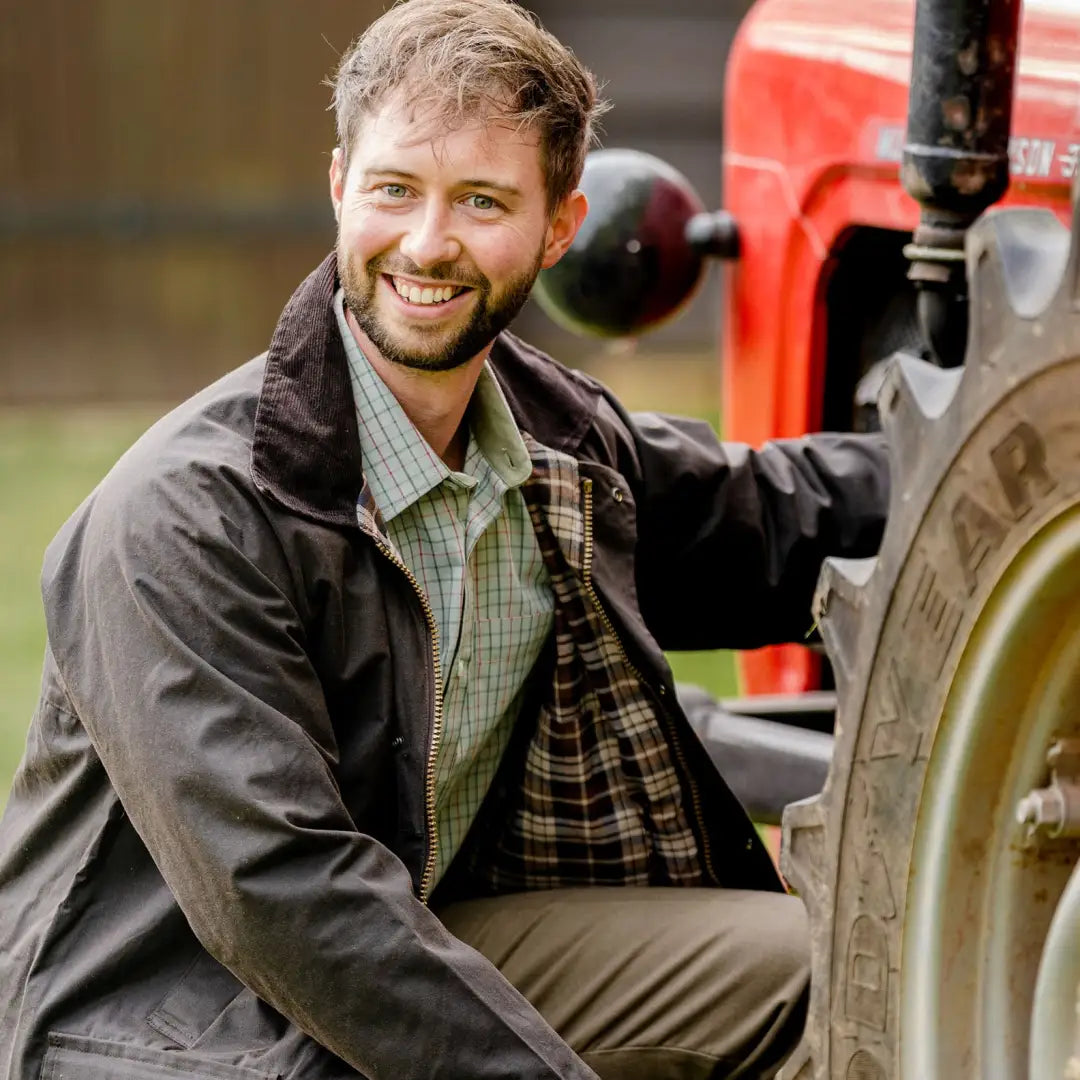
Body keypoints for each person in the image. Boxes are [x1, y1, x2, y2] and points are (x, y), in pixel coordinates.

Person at [0, 2, 890, 1078]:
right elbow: (280, 892)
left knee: (841, 969)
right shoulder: (185, 519)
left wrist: (1020, 446)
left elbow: (772, 521)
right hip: (180, 1022)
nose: (427, 244)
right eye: (394, 192)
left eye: (481, 200)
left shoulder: (555, 444)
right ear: (339, 186)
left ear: (560, 228)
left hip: (423, 934)